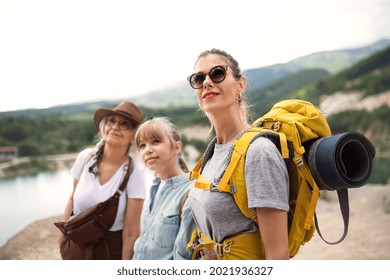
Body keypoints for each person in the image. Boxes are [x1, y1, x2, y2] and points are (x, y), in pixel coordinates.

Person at [186, 49, 290, 260]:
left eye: (217, 73)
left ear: (240, 84)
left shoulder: (258, 152)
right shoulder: (211, 154)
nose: (206, 82)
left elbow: (278, 254)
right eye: (198, 78)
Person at [59, 101, 146, 260]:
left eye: (124, 124)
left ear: (134, 137)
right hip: (76, 245)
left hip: (109, 252)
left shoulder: (134, 173)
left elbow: (132, 232)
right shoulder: (85, 158)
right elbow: (72, 198)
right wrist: (63, 237)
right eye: (111, 121)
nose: (114, 127)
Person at [132, 117, 196, 260]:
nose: (147, 150)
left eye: (155, 141)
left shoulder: (191, 192)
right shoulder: (154, 189)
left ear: (177, 147)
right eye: (142, 145)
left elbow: (183, 256)